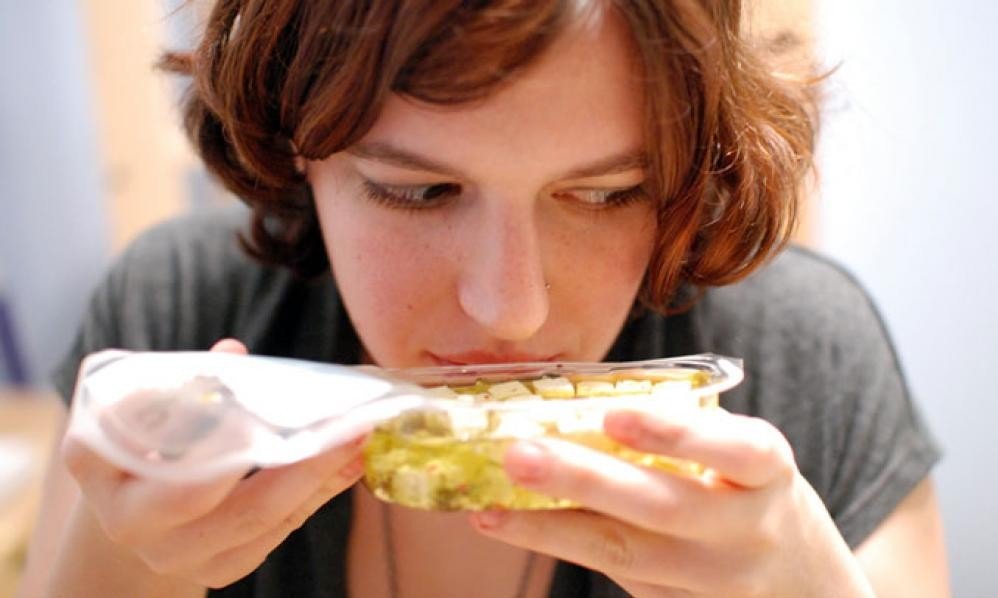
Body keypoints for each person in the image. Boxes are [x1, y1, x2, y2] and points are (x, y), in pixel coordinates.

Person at [18, 1, 949, 597]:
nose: (514, 311)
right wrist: (118, 572)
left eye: (606, 193)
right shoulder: (172, 314)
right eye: (418, 193)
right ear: (299, 148)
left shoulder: (806, 352)